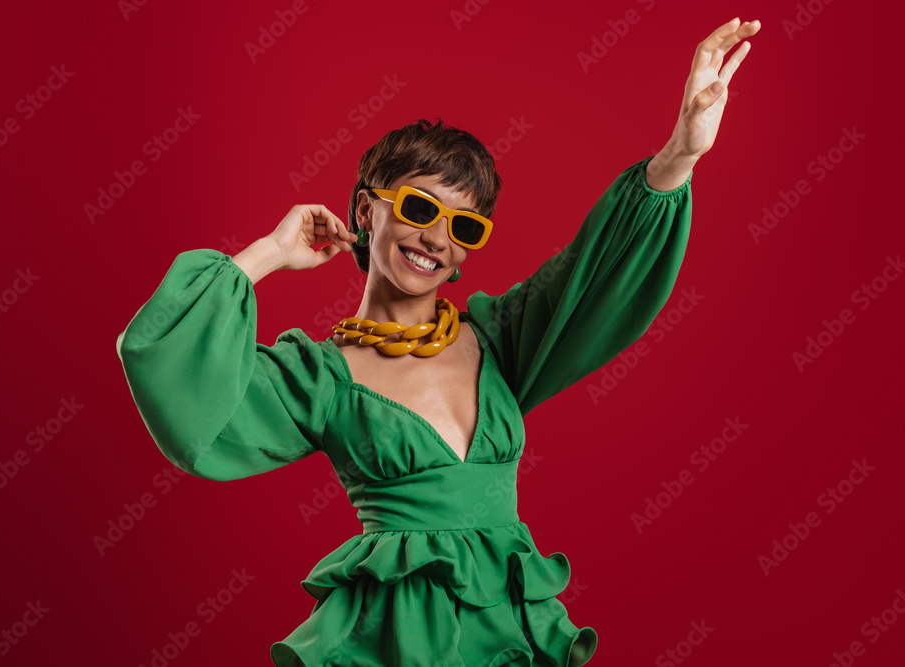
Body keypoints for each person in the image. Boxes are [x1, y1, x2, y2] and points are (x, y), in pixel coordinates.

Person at [116, 18, 760, 667]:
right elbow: (188, 398)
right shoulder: (319, 376)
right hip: (394, 645)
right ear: (368, 211)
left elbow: (598, 271)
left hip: (515, 637)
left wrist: (682, 150)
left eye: (464, 226)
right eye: (420, 210)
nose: (435, 238)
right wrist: (267, 254)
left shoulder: (504, 339)